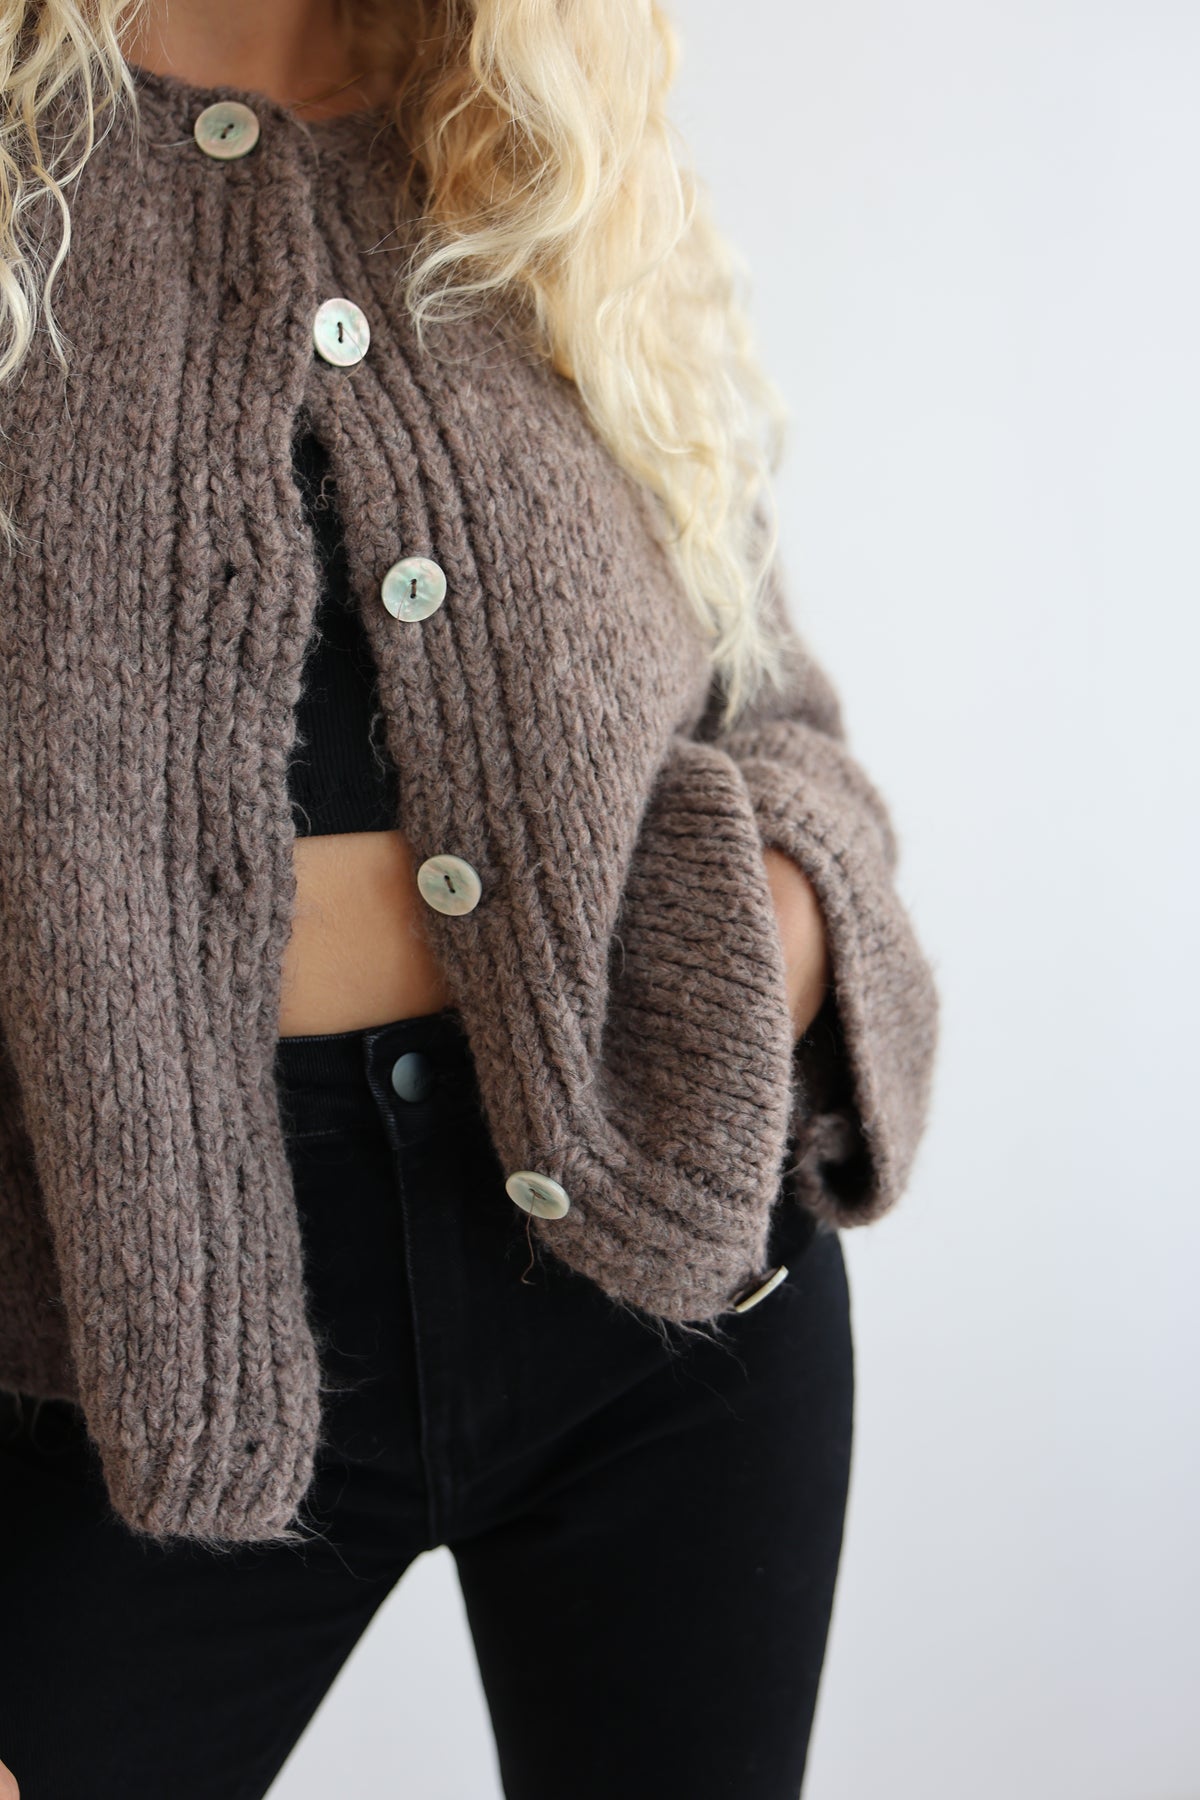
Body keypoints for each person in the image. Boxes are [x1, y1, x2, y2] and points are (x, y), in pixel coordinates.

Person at [0, 1, 941, 1795]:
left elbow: (775, 712)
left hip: (670, 1284)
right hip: (119, 1333)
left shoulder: (540, 146)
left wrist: (764, 944)